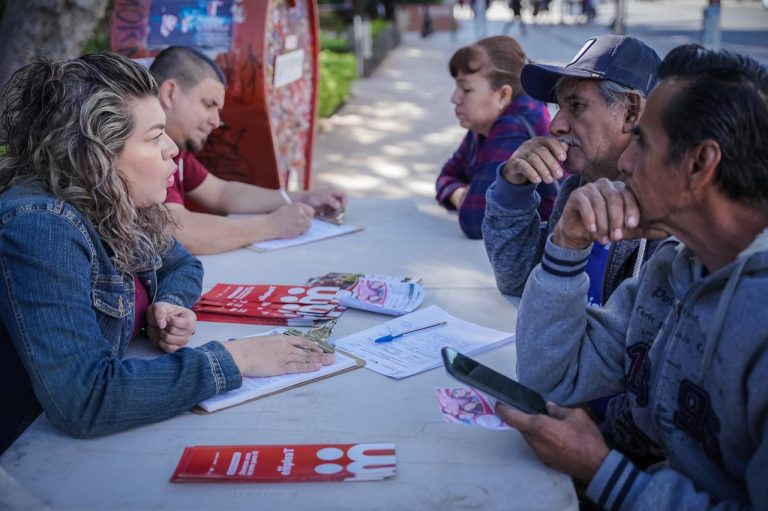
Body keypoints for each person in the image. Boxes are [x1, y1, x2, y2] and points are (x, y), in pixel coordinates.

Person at [0, 52, 334, 455]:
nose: (173, 149)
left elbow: (182, 262)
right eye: (155, 135)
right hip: (32, 458)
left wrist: (168, 304)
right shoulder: (41, 225)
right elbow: (85, 400)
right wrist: (236, 359)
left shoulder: (116, 199)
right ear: (98, 155)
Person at [499, 44, 768, 509]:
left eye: (642, 141)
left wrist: (604, 472)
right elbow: (551, 377)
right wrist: (566, 244)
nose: (626, 162)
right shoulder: (674, 269)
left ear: (700, 164)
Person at [482, 35, 662, 306]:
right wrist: (513, 188)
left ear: (631, 113)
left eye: (576, 106)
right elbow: (518, 280)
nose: (555, 126)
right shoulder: (578, 187)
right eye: (559, 106)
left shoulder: (665, 222)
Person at [148, 46, 347, 255]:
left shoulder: (176, 146)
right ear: (170, 93)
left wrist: (301, 198)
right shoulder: (146, 148)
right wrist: (272, 226)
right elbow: (179, 232)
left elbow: (220, 193)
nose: (216, 121)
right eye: (208, 105)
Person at [436, 35, 556, 239]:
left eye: (466, 89)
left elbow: (476, 222)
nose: (455, 98)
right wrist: (459, 195)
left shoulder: (514, 126)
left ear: (502, 95)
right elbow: (447, 175)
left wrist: (463, 196)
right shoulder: (483, 124)